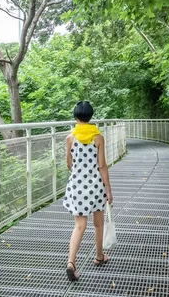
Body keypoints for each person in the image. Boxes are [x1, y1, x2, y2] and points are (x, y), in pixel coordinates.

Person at [64, 101, 113, 281]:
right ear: (90, 117)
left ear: (76, 117)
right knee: (98, 224)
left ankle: (71, 262)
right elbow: (102, 165)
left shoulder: (70, 138)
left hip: (77, 186)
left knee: (79, 226)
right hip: (95, 186)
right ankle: (99, 257)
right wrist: (108, 189)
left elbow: (69, 164)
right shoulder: (98, 138)